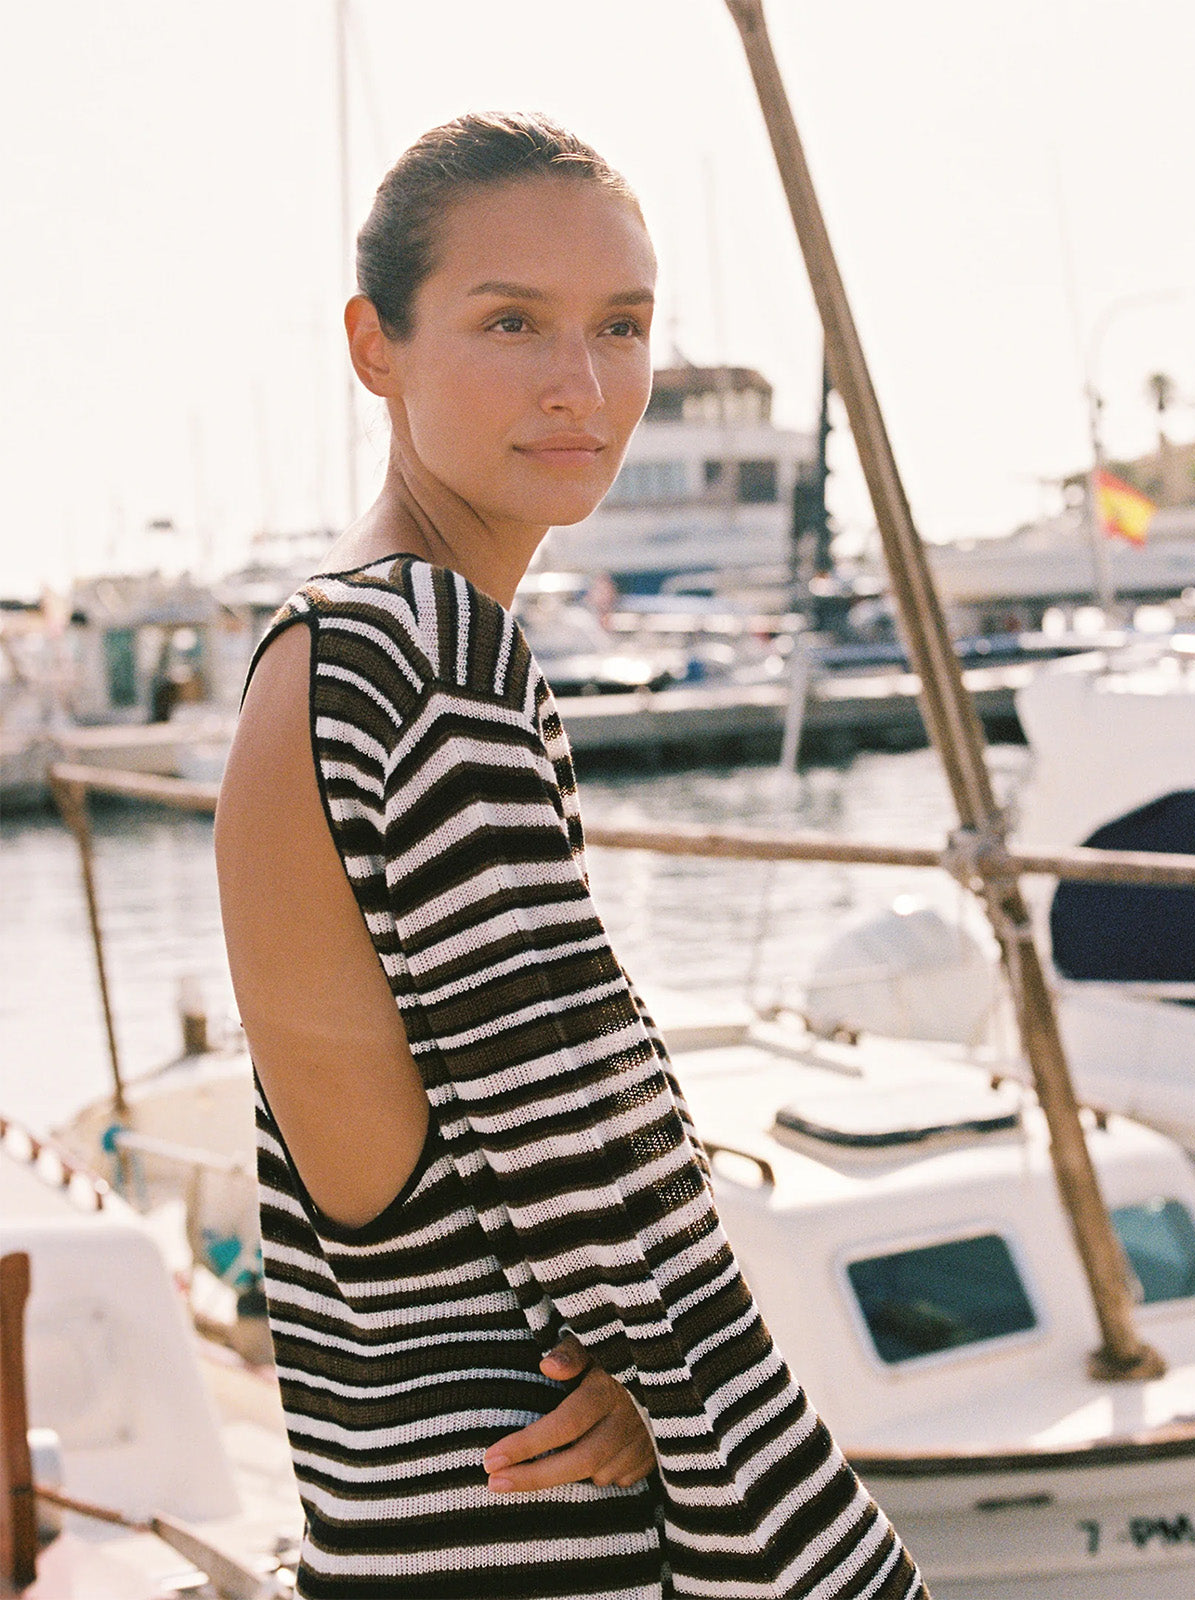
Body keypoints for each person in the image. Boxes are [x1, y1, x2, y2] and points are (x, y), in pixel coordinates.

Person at [215, 112, 926, 1600]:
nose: (581, 385)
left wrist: (633, 1361)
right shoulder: (435, 661)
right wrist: (707, 1418)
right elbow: (599, 1167)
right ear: (375, 346)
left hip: (398, 1504)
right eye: (510, 322)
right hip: (535, 1519)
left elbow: (403, 1175)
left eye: (621, 325)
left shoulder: (322, 644)